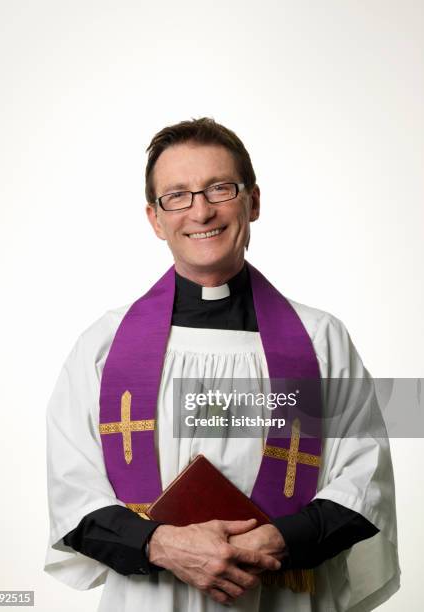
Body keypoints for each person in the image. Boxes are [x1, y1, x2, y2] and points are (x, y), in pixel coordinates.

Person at [44, 117, 400, 611]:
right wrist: (163, 545)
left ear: (253, 201)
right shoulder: (104, 346)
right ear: (155, 218)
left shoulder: (321, 339)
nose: (201, 210)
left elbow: (366, 479)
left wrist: (277, 541)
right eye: (178, 195)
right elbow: (73, 497)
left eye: (219, 188)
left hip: (279, 595)